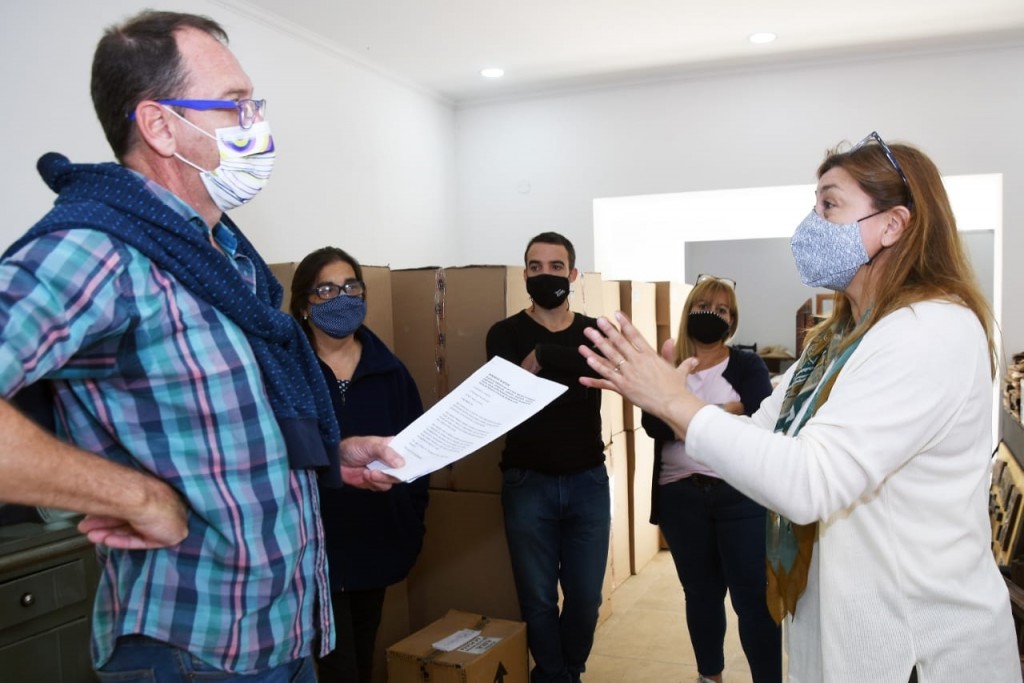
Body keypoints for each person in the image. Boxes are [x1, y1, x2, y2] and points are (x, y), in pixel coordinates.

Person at [0, 11, 401, 682]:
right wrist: (135, 496)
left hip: (283, 636)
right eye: (236, 104)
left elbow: (216, 426)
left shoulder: (224, 258)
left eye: (255, 106)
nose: (256, 124)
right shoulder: (98, 249)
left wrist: (329, 454)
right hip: (192, 652)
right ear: (160, 126)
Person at [578, 133, 1021, 682]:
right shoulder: (835, 340)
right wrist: (664, 398)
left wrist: (675, 401)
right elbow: (764, 433)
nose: (812, 223)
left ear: (892, 225)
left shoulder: (930, 329)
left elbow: (811, 481)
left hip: (915, 650)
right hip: (843, 628)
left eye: (830, 205)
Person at [289, 247, 429, 683]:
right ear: (304, 305)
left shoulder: (390, 372)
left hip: (376, 540)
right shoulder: (287, 371)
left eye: (351, 287)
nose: (342, 298)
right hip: (311, 548)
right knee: (337, 667)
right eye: (326, 290)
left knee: (361, 657)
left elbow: (416, 456)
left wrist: (410, 522)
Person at [641, 274, 780, 683]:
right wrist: (727, 410)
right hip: (680, 496)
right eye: (703, 306)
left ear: (732, 321)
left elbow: (761, 414)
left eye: (722, 310)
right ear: (690, 311)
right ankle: (709, 676)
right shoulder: (669, 367)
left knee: (753, 599)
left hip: (739, 493)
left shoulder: (746, 365)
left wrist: (684, 411)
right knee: (701, 594)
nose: (711, 315)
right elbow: (654, 424)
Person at [485, 231, 609, 683]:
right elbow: (507, 394)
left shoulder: (595, 331)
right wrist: (564, 364)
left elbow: (604, 369)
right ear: (524, 275)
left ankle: (567, 671)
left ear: (573, 274)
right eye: (535, 267)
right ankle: (556, 676)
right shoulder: (504, 333)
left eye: (556, 267)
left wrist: (543, 355)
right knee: (537, 599)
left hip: (587, 481)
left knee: (586, 598)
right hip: (527, 482)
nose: (546, 275)